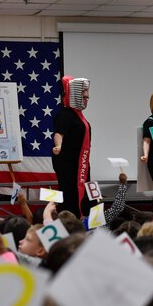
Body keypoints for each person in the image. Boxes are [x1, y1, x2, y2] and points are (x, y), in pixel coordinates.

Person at [52, 76, 92, 218]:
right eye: (84, 97)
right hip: (69, 165)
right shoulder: (64, 115)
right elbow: (59, 134)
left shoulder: (80, 116)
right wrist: (58, 146)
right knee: (70, 194)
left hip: (81, 163)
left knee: (83, 195)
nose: (87, 100)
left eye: (88, 97)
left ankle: (82, 219)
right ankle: (70, 221)